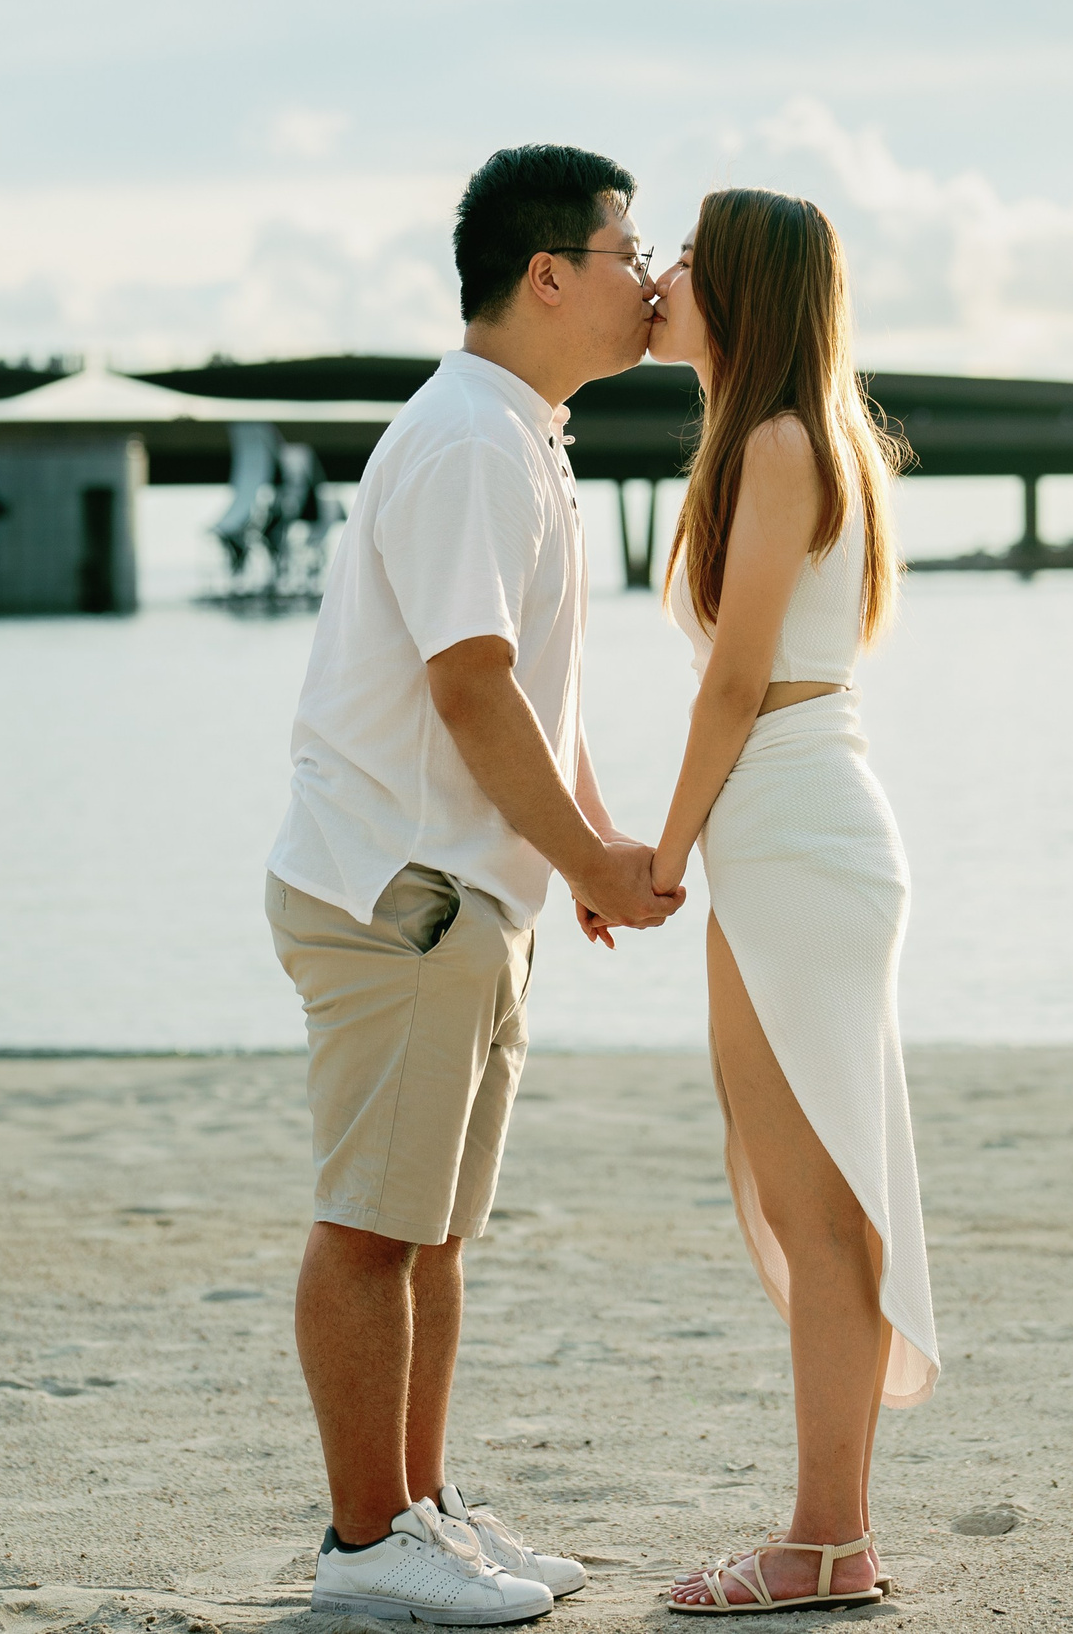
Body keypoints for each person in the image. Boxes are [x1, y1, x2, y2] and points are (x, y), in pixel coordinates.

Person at [264, 143, 683, 1626]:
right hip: (404, 892)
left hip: (470, 890)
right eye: (632, 252)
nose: (651, 279)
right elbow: (467, 685)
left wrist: (582, 843)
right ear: (550, 270)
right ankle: (364, 1544)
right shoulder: (469, 441)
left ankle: (421, 1512)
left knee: (434, 1232)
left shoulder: (524, 434)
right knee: (373, 1224)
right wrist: (587, 858)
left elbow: (533, 694)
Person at [641, 189, 941, 1615]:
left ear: (745, 287)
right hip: (794, 825)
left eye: (687, 258)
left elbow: (734, 681)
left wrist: (658, 849)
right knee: (809, 1194)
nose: (662, 274)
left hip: (793, 824)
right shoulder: (789, 435)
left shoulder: (774, 441)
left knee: (820, 1210)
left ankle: (827, 1540)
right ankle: (836, 1532)